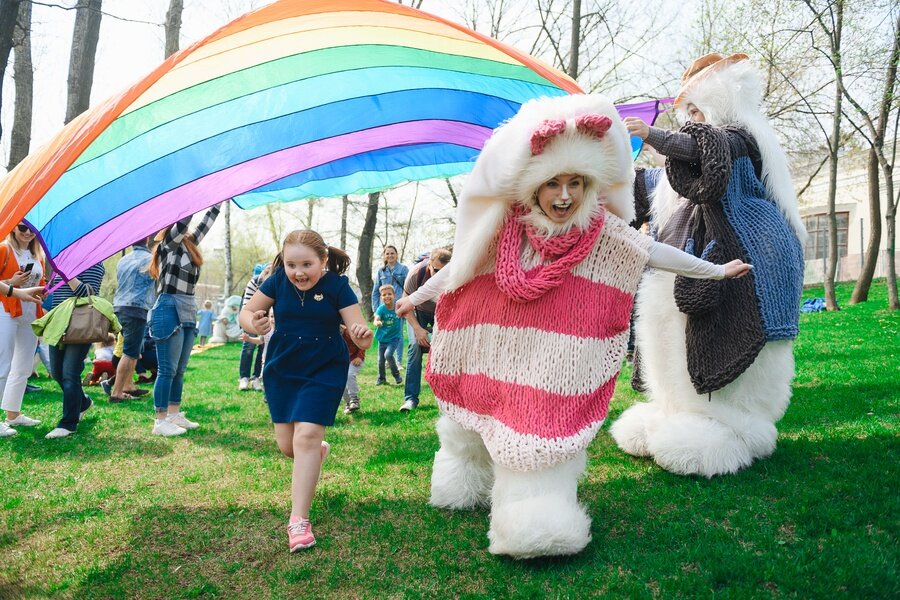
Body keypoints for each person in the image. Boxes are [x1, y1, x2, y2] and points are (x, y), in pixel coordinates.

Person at [394, 94, 750, 558]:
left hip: (554, 361)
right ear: (533, 185)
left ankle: (535, 516)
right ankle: (464, 481)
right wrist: (415, 298)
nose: (565, 195)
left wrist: (717, 271)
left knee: (539, 429)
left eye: (576, 183)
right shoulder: (505, 229)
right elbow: (457, 267)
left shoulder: (603, 232)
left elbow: (656, 253)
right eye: (554, 183)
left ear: (590, 185)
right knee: (472, 423)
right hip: (496, 347)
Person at [613, 53, 806, 477]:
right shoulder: (678, 181)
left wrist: (653, 136)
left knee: (716, 332)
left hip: (738, 265)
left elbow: (705, 149)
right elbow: (643, 189)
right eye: (690, 113)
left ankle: (733, 426)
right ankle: (673, 409)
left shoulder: (741, 140)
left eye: (699, 112)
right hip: (681, 266)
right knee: (668, 332)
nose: (693, 121)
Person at [239, 229, 372, 552]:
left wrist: (362, 336)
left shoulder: (337, 287)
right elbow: (245, 313)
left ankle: (298, 521)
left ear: (323, 261)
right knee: (290, 447)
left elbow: (358, 328)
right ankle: (315, 452)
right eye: (291, 264)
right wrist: (253, 324)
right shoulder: (276, 282)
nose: (299, 272)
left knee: (306, 436)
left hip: (324, 365)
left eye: (307, 264)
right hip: (283, 367)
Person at [148, 203, 222, 437]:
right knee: (167, 369)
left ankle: (173, 413)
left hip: (188, 306)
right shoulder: (169, 244)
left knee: (179, 369)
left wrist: (218, 199)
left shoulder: (190, 246)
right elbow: (185, 220)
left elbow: (206, 223)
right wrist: (194, 196)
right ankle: (160, 421)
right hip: (168, 306)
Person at [44, 263, 107, 439]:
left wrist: (67, 274)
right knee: (56, 372)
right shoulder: (64, 262)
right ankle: (84, 402)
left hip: (80, 325)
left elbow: (89, 293)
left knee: (70, 374)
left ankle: (68, 424)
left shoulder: (95, 264)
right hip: (58, 324)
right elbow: (58, 295)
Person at [0, 225, 47, 439]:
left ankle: (13, 414)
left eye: (31, 229)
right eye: (22, 227)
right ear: (13, 228)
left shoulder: (38, 255)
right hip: (5, 310)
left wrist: (42, 291)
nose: (27, 232)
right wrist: (12, 283)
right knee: (3, 364)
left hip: (30, 314)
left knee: (23, 366)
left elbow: (42, 281)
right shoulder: (4, 249)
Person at [398, 248, 451, 412]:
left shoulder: (453, 277)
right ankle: (410, 399)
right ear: (429, 264)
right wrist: (418, 329)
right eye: (436, 270)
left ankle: (447, 398)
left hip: (442, 313)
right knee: (415, 347)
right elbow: (404, 304)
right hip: (417, 312)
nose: (439, 275)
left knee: (445, 351)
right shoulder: (416, 274)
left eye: (444, 271)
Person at [107, 238, 156, 403]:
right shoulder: (150, 259)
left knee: (132, 350)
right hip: (136, 308)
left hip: (119, 307)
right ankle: (116, 392)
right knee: (130, 353)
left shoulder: (123, 260)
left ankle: (128, 386)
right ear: (148, 240)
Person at [371, 245, 408, 369]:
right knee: (385, 332)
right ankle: (387, 358)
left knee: (398, 333)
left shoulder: (403, 269)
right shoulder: (381, 271)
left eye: (392, 253)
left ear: (396, 254)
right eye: (387, 253)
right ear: (384, 256)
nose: (390, 255)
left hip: (398, 307)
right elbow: (375, 292)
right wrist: (376, 310)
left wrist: (404, 303)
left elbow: (407, 288)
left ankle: (398, 362)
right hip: (384, 308)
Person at [238, 264, 271, 391]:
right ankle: (244, 377)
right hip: (252, 317)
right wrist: (251, 324)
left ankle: (256, 377)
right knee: (248, 347)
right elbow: (245, 308)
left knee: (263, 349)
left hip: (270, 318)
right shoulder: (255, 282)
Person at [373, 284, 402, 386]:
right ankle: (382, 379)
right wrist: (377, 322)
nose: (387, 296)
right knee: (381, 361)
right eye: (384, 295)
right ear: (381, 297)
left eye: (389, 294)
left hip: (394, 338)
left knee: (388, 355)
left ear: (394, 295)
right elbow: (376, 318)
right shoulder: (381, 309)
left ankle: (397, 375)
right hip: (382, 339)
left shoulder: (398, 307)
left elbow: (407, 313)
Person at [340, 324, 366, 414]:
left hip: (355, 359)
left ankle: (354, 400)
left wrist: (359, 356)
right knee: (340, 379)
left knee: (349, 374)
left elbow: (362, 343)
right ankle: (348, 403)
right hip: (341, 361)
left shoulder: (349, 333)